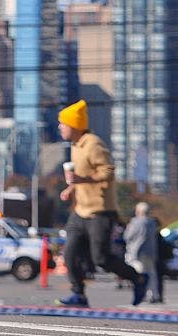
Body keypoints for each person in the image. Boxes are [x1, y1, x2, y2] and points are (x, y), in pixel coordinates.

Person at [54, 99, 148, 307]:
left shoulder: (93, 143)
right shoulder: (75, 145)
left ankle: (138, 278)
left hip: (100, 212)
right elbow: (82, 176)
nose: (60, 127)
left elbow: (108, 171)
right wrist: (71, 188)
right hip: (80, 211)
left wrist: (82, 180)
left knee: (101, 259)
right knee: (69, 253)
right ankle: (79, 294)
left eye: (63, 123)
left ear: (75, 125)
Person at [124, 202, 159, 304]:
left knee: (139, 273)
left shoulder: (135, 222)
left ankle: (141, 292)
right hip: (150, 252)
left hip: (137, 252)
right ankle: (153, 294)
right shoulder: (152, 222)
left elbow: (127, 236)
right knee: (152, 273)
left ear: (138, 211)